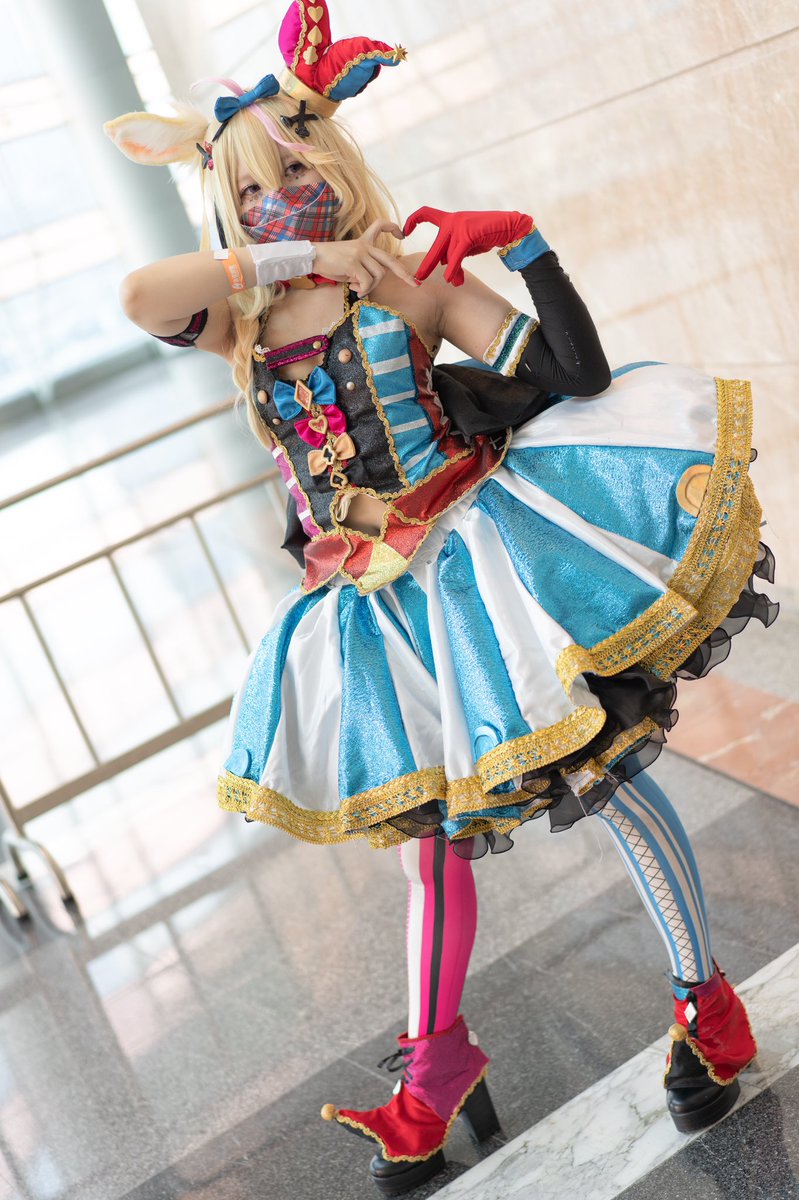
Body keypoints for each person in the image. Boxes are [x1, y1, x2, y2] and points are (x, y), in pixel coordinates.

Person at [105, 2, 777, 1193]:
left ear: (333, 158)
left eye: (295, 170)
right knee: (430, 844)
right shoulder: (238, 320)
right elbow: (140, 295)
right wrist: (298, 264)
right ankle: (433, 1074)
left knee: (605, 781)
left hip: (479, 571)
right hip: (369, 607)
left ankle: (706, 1008)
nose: (281, 197)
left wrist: (523, 244)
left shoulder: (413, 278)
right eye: (254, 187)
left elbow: (574, 374)